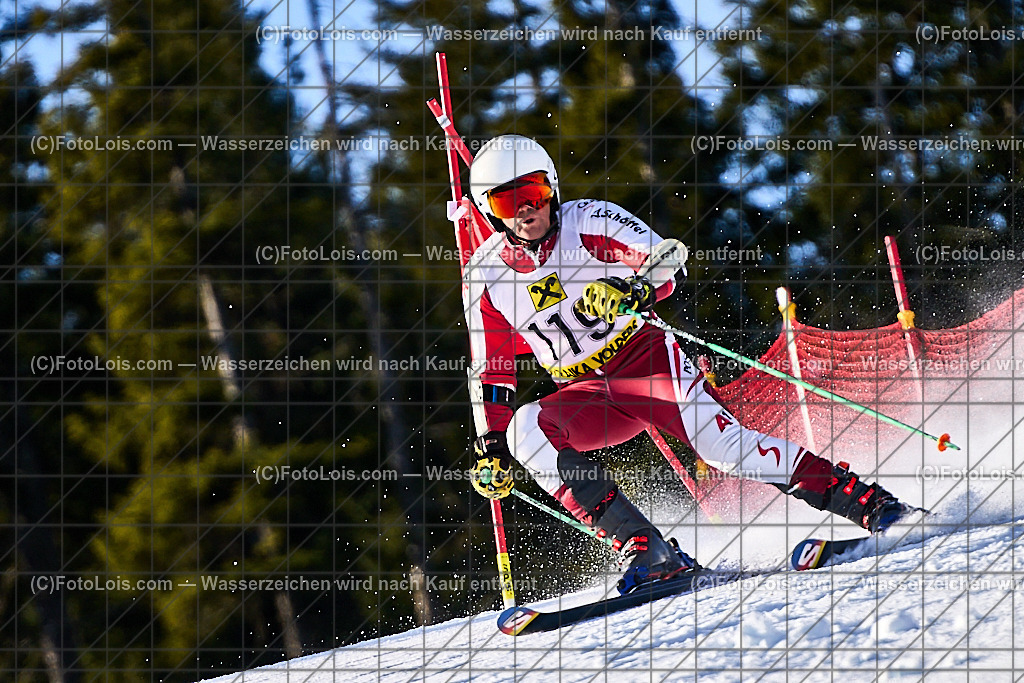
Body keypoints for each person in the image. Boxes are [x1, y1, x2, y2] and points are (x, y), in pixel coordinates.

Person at [464, 134, 911, 594]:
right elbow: (491, 366)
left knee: (722, 448)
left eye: (533, 193)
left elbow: (668, 258)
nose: (524, 209)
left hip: (645, 360)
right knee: (523, 431)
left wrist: (632, 289)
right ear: (488, 211)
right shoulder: (484, 276)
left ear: (552, 189)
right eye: (506, 201)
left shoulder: (587, 219)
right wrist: (491, 443)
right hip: (588, 392)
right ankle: (649, 552)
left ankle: (869, 503)